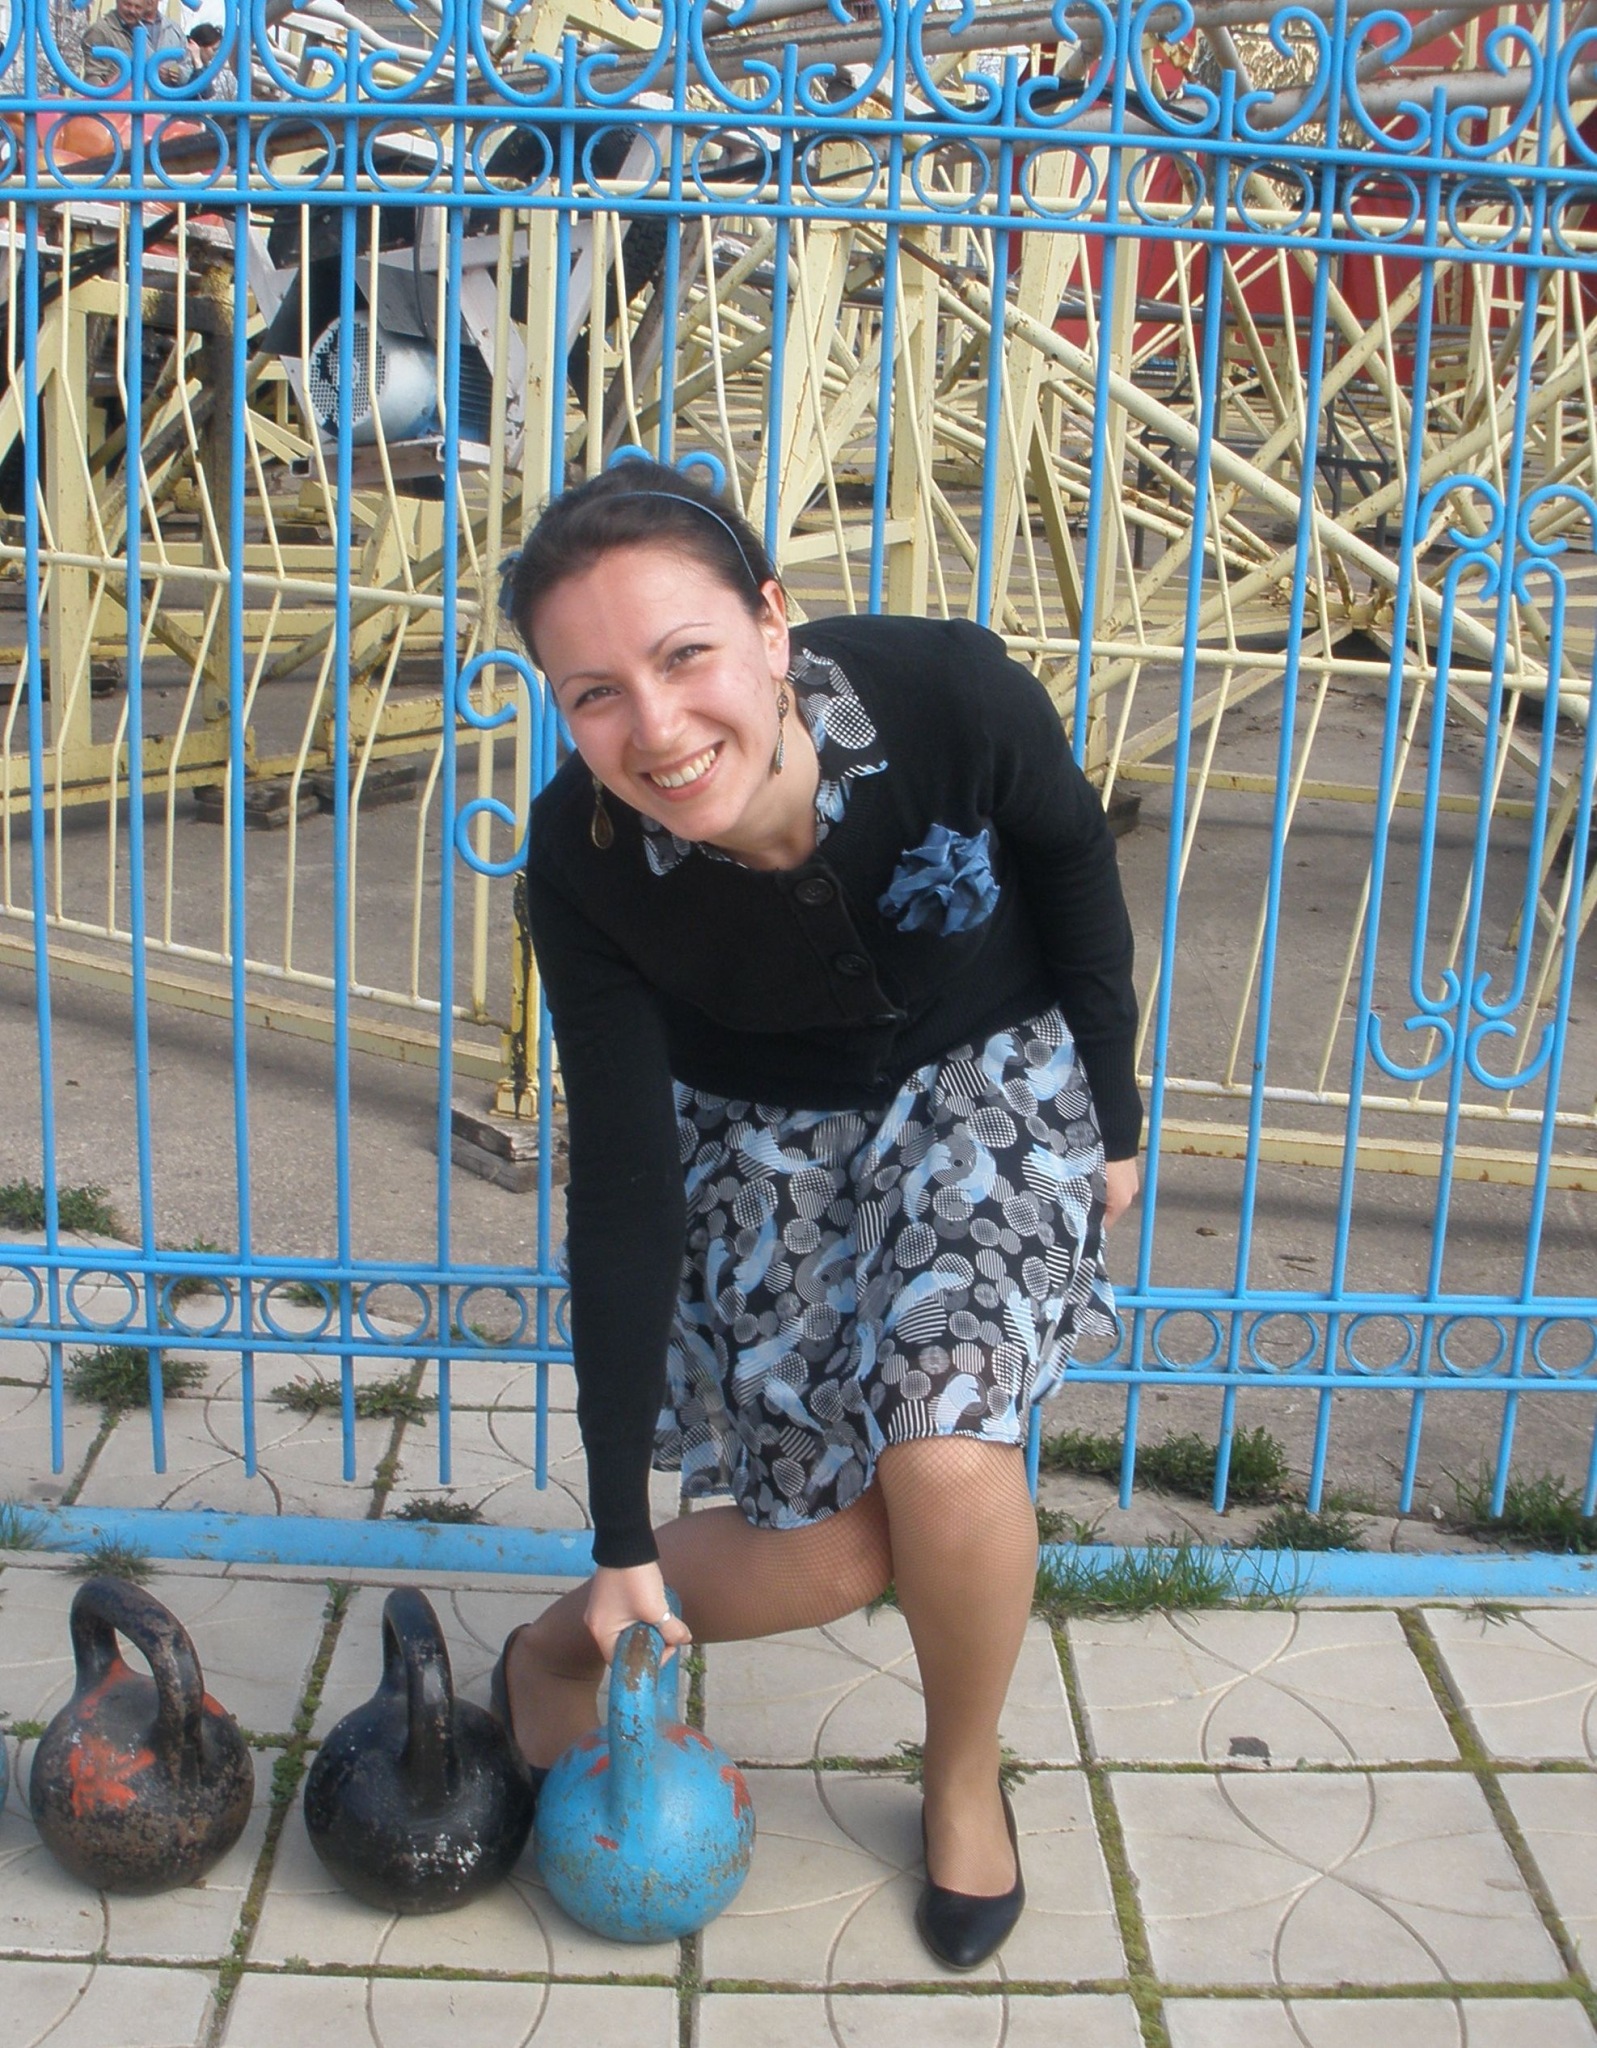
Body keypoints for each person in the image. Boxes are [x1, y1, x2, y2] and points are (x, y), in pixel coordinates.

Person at [495, 457, 1141, 1971]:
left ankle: (962, 1777)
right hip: (761, 1137)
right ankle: (548, 1649)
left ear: (772, 624)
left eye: (686, 656)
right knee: (838, 1554)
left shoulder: (946, 695)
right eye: (594, 695)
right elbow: (626, 1187)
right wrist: (618, 1540)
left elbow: (1069, 857)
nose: (657, 728)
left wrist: (1113, 1109)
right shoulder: (583, 866)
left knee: (946, 1450)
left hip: (982, 1073)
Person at [81, 0, 193, 86]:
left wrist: (177, 73)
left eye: (138, 7)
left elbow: (187, 66)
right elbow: (94, 78)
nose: (132, 11)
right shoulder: (100, 30)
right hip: (115, 105)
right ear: (117, 2)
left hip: (142, 103)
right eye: (127, 4)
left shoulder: (135, 30)